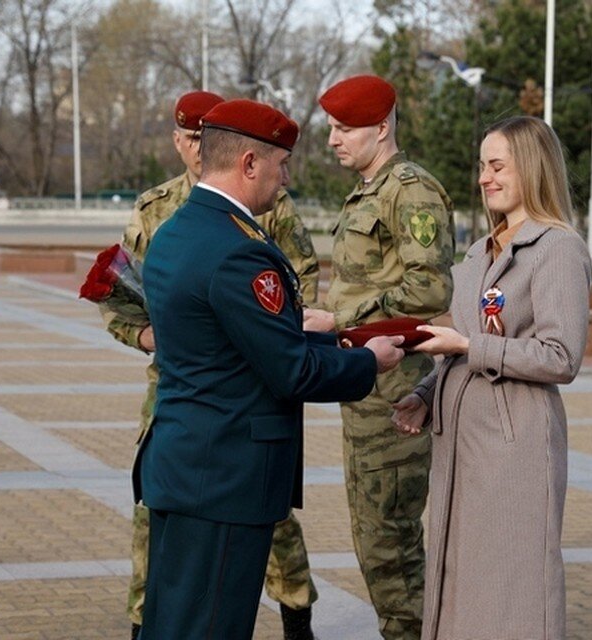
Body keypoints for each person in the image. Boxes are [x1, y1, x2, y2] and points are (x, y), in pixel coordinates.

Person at [135, 98, 405, 639]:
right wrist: (366, 361)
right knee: (211, 628)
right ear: (249, 164)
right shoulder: (238, 250)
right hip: (224, 478)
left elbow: (219, 339)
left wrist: (294, 325)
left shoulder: (177, 231)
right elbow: (291, 373)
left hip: (183, 465)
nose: (285, 179)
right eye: (281, 165)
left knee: (171, 623)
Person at [101, 90, 323, 640]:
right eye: (191, 138)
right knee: (177, 553)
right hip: (187, 397)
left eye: (207, 138)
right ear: (180, 142)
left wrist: (291, 330)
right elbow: (116, 289)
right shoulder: (155, 208)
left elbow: (293, 288)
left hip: (245, 389)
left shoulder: (267, 207)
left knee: (265, 530)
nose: (199, 149)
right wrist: (149, 335)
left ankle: (297, 616)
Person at [392, 116, 592, 640]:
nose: (484, 177)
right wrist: (425, 394)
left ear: (530, 167)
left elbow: (560, 356)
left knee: (513, 590)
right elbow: (460, 343)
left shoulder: (557, 249)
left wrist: (468, 345)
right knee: (460, 583)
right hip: (461, 446)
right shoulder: (481, 252)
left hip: (514, 448)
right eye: (482, 166)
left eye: (497, 165)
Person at [305, 74, 455, 639]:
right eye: (332, 129)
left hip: (396, 393)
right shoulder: (370, 188)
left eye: (345, 129)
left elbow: (430, 290)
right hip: (366, 387)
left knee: (389, 544)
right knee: (374, 540)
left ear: (382, 128)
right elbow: (369, 283)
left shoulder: (409, 189)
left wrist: (342, 320)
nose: (333, 140)